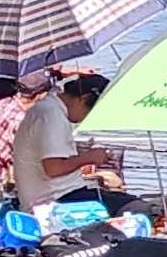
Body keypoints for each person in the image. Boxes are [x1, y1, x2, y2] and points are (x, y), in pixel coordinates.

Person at [7, 69, 130, 216]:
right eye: (89, 113)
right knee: (135, 207)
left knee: (122, 198)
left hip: (58, 193)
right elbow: (53, 169)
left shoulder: (49, 108)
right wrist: (88, 157)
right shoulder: (52, 116)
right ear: (82, 99)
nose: (84, 120)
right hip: (55, 201)